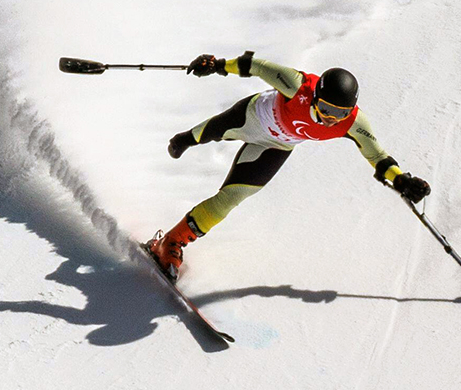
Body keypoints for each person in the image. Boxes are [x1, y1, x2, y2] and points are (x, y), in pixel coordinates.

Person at [147, 51, 431, 282]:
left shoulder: (353, 124)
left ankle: (171, 242)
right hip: (252, 118)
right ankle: (186, 138)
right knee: (190, 140)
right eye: (326, 109)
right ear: (316, 97)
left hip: (276, 146)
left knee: (233, 197)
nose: (332, 119)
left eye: (340, 113)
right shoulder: (298, 86)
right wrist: (218, 65)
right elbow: (255, 66)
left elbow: (377, 156)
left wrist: (401, 180)